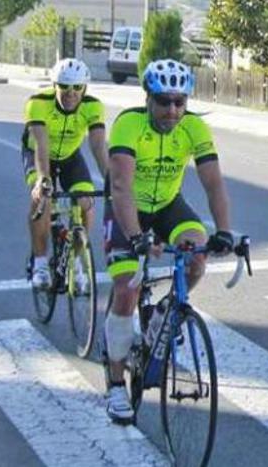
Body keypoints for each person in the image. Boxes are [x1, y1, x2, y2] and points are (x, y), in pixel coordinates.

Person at [101, 59, 236, 423]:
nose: (173, 110)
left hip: (167, 206)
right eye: (164, 101)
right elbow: (120, 186)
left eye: (180, 102)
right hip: (127, 208)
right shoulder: (129, 124)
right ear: (148, 98)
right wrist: (137, 238)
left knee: (196, 255)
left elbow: (213, 183)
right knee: (127, 290)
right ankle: (116, 384)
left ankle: (163, 315)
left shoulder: (193, 127)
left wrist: (223, 231)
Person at [22, 58, 109, 290]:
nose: (70, 93)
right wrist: (42, 179)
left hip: (70, 157)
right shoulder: (38, 103)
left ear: (85, 88)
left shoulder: (93, 106)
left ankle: (78, 259)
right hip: (38, 154)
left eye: (77, 87)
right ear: (54, 85)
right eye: (64, 86)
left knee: (86, 200)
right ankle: (40, 263)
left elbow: (99, 146)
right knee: (44, 199)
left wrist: (111, 180)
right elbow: (41, 143)